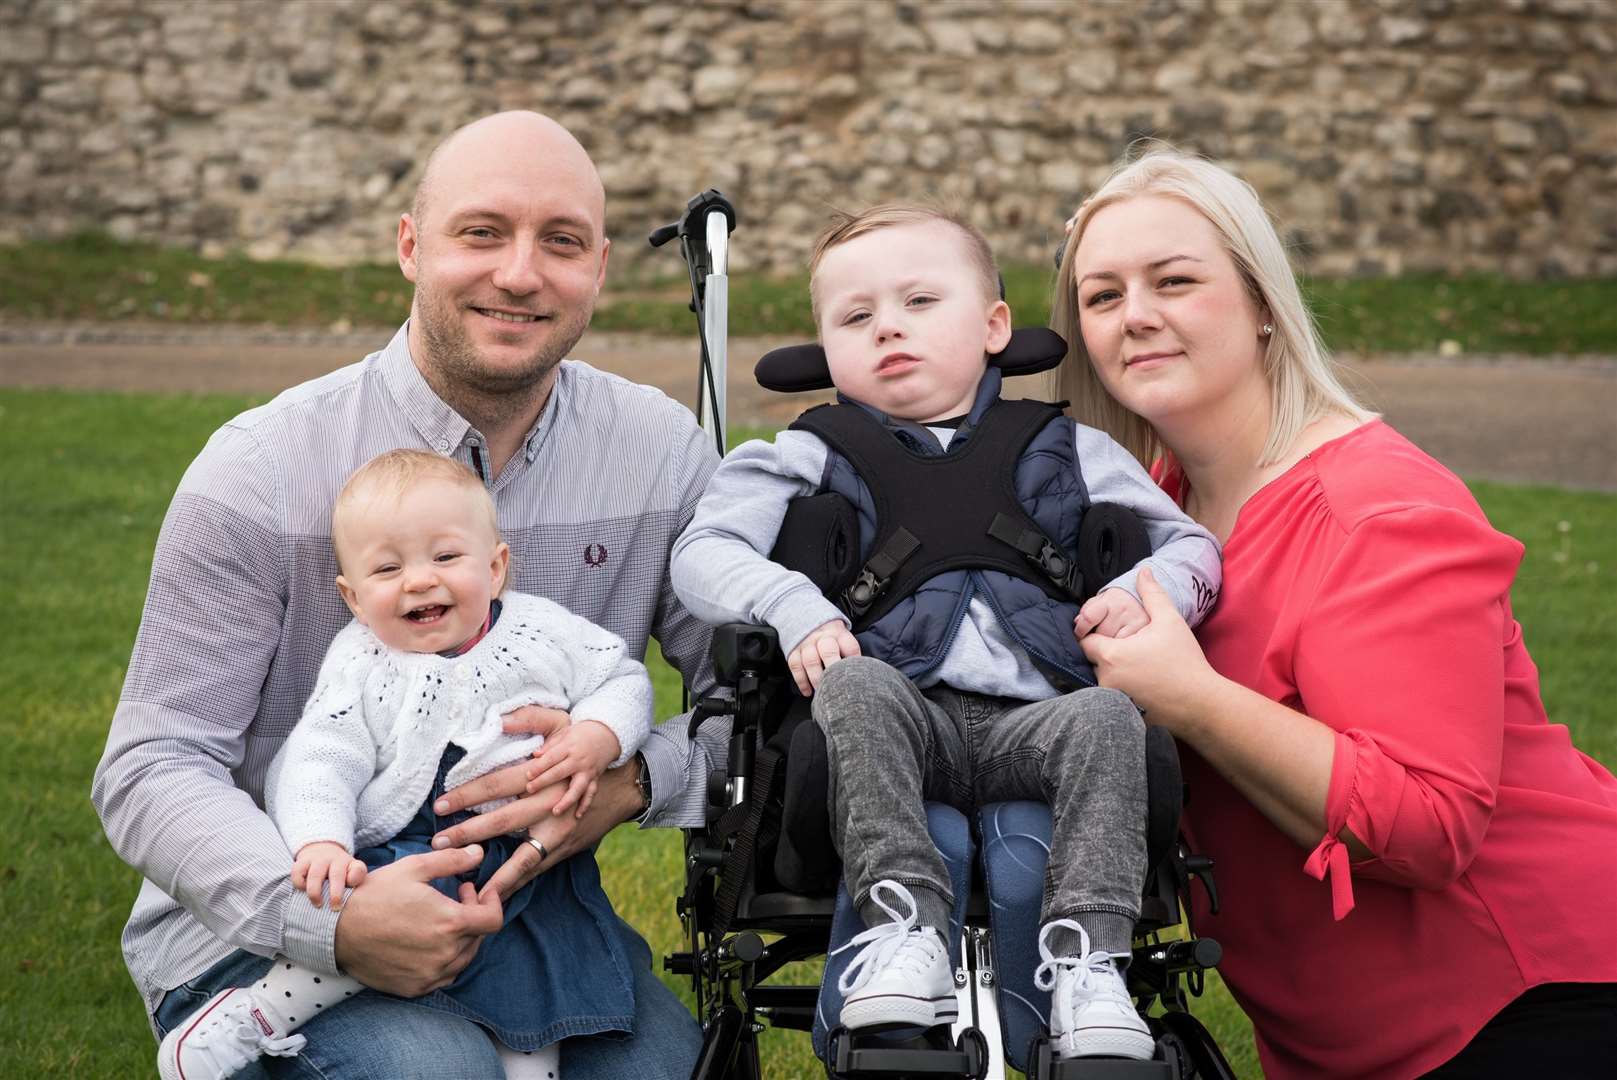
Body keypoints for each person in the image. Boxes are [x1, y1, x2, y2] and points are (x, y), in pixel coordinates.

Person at [93, 111, 713, 1079]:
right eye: (481, 233)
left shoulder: (661, 456)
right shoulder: (260, 471)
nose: (519, 273)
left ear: (599, 268)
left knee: (663, 1071)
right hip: (258, 936)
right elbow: (151, 766)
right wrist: (331, 918)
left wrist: (628, 784)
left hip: (525, 925)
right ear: (410, 247)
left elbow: (754, 714)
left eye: (560, 242)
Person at [1051, 146, 1617, 1079]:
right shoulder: (1158, 505)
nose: (1135, 315)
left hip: (1527, 999)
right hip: (1342, 1038)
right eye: (1102, 296)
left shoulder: (1379, 509)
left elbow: (1430, 824)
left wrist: (1191, 699)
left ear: (1263, 304)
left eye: (1175, 280)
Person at [669, 204, 1222, 1061]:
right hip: (898, 720)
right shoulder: (804, 451)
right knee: (851, 686)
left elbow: (1192, 546)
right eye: (855, 318)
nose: (886, 326)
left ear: (995, 324)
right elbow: (703, 553)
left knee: (1111, 719)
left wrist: (1143, 593)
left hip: (1036, 723)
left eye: (919, 302)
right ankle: (902, 928)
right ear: (825, 347)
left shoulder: (1067, 445)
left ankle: (1087, 966)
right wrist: (791, 603)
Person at [156, 449, 653, 1079]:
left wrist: (598, 735)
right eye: (388, 568)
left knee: (537, 987)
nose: (420, 580)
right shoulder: (364, 662)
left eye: (446, 557)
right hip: (418, 851)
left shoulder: (541, 632)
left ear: (495, 567)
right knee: (385, 919)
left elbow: (622, 678)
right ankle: (249, 1019)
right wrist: (322, 841)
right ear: (355, 598)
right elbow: (320, 757)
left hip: (534, 869)